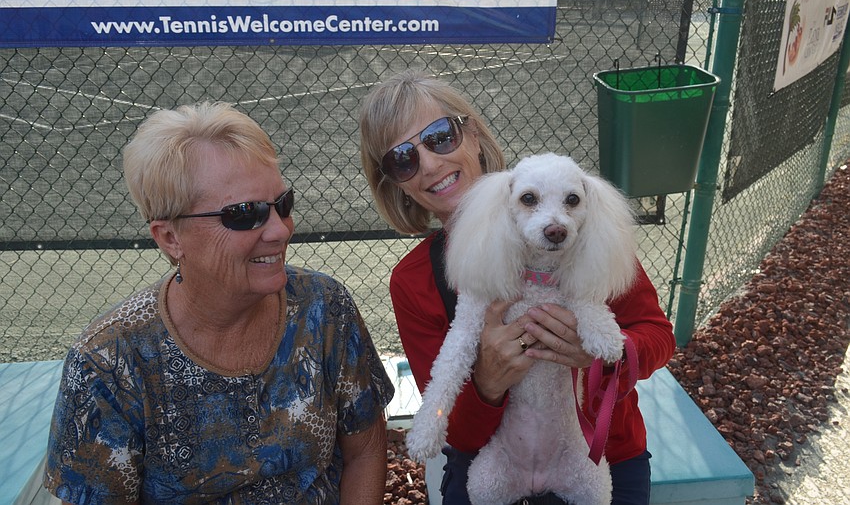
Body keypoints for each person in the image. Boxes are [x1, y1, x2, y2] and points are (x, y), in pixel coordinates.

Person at [44, 102, 394, 504]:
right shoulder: (109, 364)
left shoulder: (323, 308)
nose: (280, 230)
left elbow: (365, 450)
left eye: (283, 204)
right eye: (245, 214)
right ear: (170, 238)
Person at [358, 70, 676, 504]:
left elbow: (657, 336)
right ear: (395, 184)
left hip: (604, 453)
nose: (430, 164)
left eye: (439, 135)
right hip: (488, 461)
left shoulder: (580, 237)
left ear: (471, 135)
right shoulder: (413, 282)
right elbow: (454, 429)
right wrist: (488, 381)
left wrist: (604, 358)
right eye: (402, 159)